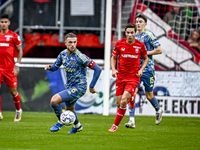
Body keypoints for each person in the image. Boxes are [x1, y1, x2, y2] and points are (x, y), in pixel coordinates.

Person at [45, 32, 102, 134]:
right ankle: (77, 126)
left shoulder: (81, 57)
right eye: (70, 42)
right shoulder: (63, 54)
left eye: (74, 42)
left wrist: (91, 86)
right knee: (69, 110)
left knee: (54, 101)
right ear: (65, 43)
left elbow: (97, 69)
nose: (72, 45)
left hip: (80, 87)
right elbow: (55, 66)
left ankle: (60, 121)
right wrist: (50, 67)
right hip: (70, 86)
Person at [108, 23, 148, 132]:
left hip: (133, 77)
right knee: (118, 102)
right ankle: (132, 97)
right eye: (128, 33)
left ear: (135, 33)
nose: (130, 35)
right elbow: (113, 58)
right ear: (125, 33)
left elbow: (145, 59)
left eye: (132, 33)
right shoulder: (119, 44)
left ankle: (114, 126)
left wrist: (141, 70)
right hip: (121, 76)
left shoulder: (140, 45)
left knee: (123, 101)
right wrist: (113, 69)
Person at [125, 14, 163, 129]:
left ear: (145, 23)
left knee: (149, 95)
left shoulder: (149, 35)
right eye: (136, 21)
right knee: (132, 93)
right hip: (135, 69)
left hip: (148, 69)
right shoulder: (133, 36)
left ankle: (158, 109)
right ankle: (131, 120)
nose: (138, 23)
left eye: (140, 21)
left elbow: (159, 50)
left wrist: (145, 53)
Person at [0, 14, 23, 121]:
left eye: (5, 22)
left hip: (10, 68)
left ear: (9, 23)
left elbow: (20, 51)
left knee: (13, 92)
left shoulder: (14, 35)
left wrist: (17, 65)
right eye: (2, 22)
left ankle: (18, 110)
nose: (3, 24)